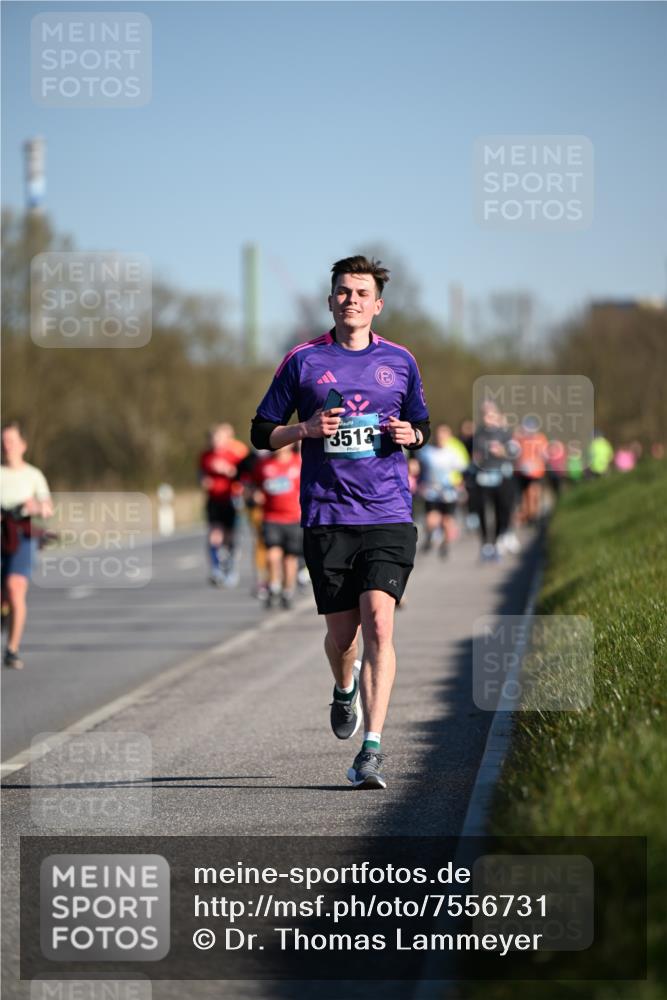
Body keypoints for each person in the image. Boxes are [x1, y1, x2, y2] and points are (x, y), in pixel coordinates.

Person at [251, 255, 430, 789]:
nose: (351, 300)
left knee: (380, 623)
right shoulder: (303, 361)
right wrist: (303, 429)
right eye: (342, 292)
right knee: (343, 635)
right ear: (330, 301)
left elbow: (420, 423)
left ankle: (371, 751)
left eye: (361, 292)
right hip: (327, 517)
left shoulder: (400, 361)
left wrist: (411, 436)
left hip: (387, 513)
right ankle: (343, 684)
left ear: (378, 304)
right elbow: (261, 432)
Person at [1, 422, 53, 669]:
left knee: (15, 586)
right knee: (5, 595)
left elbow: (47, 507)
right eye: (3, 441)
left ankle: (12, 648)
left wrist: (35, 507)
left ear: (23, 445)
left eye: (11, 441)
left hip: (22, 536)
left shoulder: (33, 475)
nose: (6, 446)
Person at [252, 443, 303, 609]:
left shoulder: (299, 462)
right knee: (272, 555)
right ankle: (274, 586)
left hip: (294, 518)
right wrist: (255, 495)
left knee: (290, 559)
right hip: (271, 517)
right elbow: (254, 486)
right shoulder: (264, 465)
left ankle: (288, 590)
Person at [199, 423, 248, 587]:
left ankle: (231, 568)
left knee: (230, 537)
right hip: (214, 500)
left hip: (231, 499)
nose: (216, 442)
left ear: (227, 439)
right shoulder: (205, 456)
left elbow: (244, 475)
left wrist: (229, 470)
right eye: (213, 439)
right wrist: (203, 481)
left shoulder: (235, 454)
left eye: (219, 438)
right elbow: (201, 475)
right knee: (214, 535)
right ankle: (216, 570)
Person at [470, 401, 519, 561]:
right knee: (483, 510)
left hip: (502, 476)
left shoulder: (505, 433)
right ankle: (486, 543)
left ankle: (498, 538)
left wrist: (502, 451)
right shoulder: (478, 434)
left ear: (497, 416)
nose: (488, 418)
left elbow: (515, 452)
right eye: (485, 414)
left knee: (502, 509)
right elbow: (474, 455)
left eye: (491, 414)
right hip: (483, 478)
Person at [417, 424, 469, 557]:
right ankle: (429, 536)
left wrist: (461, 487)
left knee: (447, 520)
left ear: (449, 436)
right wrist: (420, 484)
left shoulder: (453, 453)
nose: (441, 437)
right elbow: (420, 469)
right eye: (439, 434)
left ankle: (445, 544)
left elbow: (461, 472)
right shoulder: (426, 451)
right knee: (431, 519)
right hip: (431, 491)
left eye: (444, 434)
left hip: (448, 491)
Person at [513, 416, 549, 525]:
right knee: (525, 495)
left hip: (536, 473)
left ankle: (533, 515)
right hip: (522, 472)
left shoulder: (541, 438)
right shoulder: (519, 438)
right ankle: (529, 516)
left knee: (533, 494)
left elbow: (545, 454)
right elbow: (513, 451)